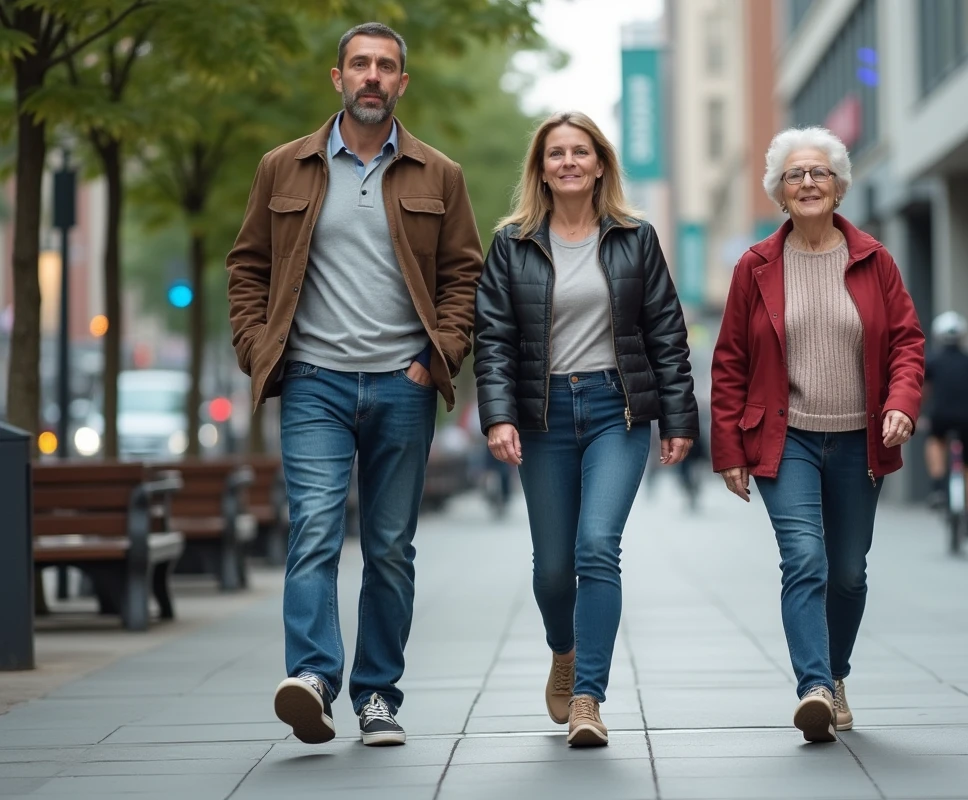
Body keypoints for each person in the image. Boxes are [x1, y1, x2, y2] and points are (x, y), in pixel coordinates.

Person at [226, 22, 483, 747]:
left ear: (403, 82)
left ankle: (377, 697)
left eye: (386, 66)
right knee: (313, 527)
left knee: (390, 547)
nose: (373, 76)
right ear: (337, 78)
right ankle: (313, 678)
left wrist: (439, 357)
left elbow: (464, 276)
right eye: (360, 64)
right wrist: (257, 348)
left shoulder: (439, 174)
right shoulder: (283, 167)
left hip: (404, 385)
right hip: (314, 381)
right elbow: (247, 266)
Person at [473, 111, 698, 748]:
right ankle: (564, 651)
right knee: (553, 570)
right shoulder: (512, 242)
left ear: (600, 165)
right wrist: (498, 415)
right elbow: (493, 339)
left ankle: (588, 698)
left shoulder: (635, 238)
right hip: (542, 415)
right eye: (556, 154)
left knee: (597, 546)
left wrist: (678, 417)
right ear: (541, 170)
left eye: (580, 152)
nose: (568, 162)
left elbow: (666, 333)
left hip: (614, 411)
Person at [710, 126, 924, 743]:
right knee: (805, 558)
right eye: (795, 175)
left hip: (860, 440)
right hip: (787, 440)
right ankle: (814, 689)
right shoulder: (755, 266)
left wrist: (902, 404)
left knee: (849, 571)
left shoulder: (875, 259)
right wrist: (729, 449)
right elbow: (730, 361)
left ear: (839, 187)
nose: (807, 183)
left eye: (819, 173)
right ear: (779, 191)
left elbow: (907, 343)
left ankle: (835, 673)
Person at [923, 311, 968, 539]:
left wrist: (917, 414)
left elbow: (923, 391)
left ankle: (937, 486)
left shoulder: (931, 360)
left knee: (935, 442)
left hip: (941, 416)